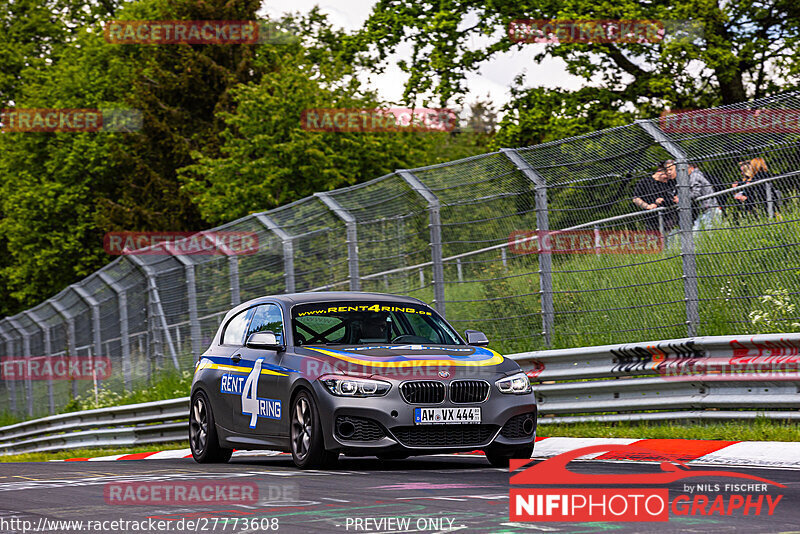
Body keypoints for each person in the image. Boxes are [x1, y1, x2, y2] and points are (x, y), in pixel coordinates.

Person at [632, 164, 678, 232]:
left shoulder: (669, 183)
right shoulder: (644, 182)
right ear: (660, 172)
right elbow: (636, 199)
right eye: (665, 178)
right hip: (652, 219)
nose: (666, 180)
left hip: (668, 217)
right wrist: (648, 206)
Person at [687, 162, 722, 230]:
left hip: (709, 209)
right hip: (707, 208)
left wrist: (682, 197)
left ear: (690, 168)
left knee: (709, 233)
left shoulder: (694, 176)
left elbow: (696, 193)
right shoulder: (697, 175)